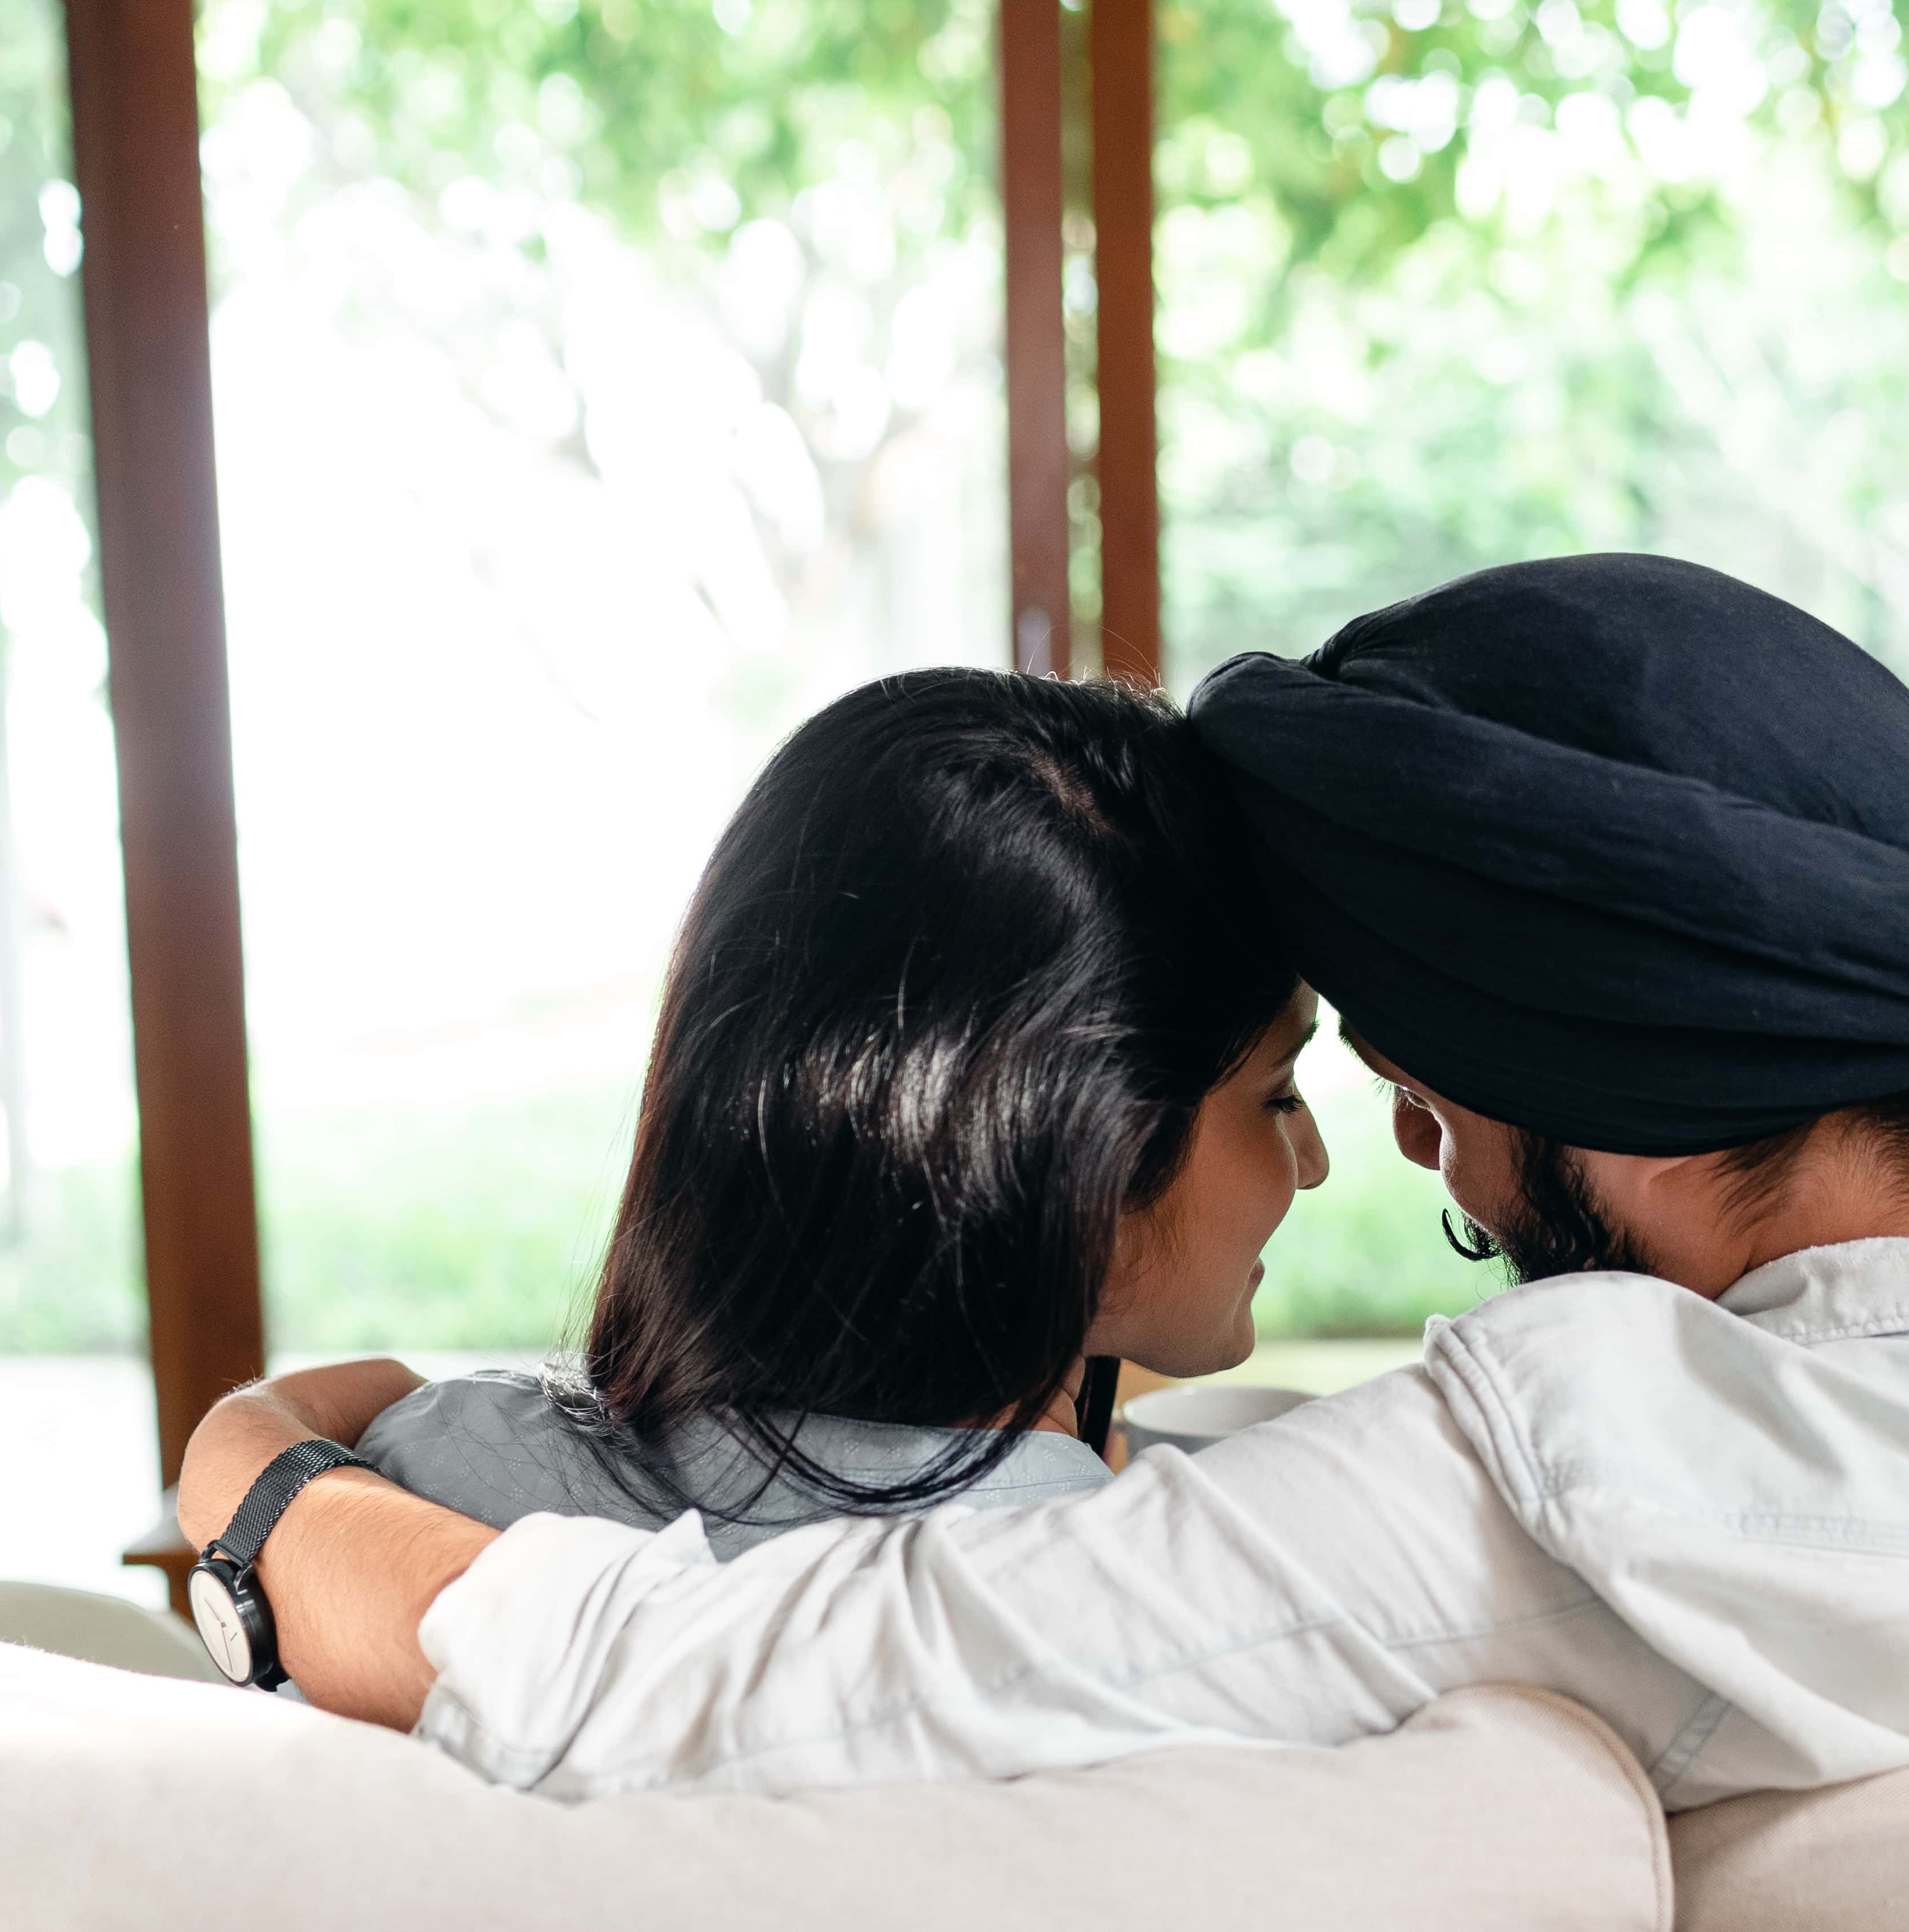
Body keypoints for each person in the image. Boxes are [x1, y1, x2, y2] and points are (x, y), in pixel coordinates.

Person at [183, 556, 1909, 1802]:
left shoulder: (1573, 1454)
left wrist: (256, 1469)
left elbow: (712, 1690)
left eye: (1431, 1077)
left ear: (1600, 1071)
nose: (1402, 1140)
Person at [190, 664, 1329, 1635]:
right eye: (1277, 1093)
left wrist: (264, 1450)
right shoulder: (1149, 1600)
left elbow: (352, 1403)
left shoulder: (434, 1468)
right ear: (1080, 1158)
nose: (1315, 1157)